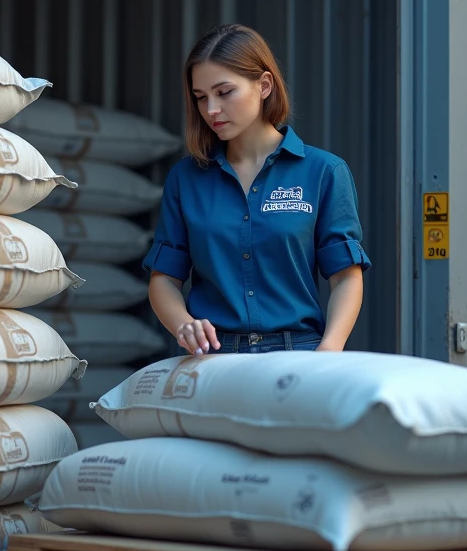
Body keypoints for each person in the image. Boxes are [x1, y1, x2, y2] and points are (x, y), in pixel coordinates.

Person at [143, 23, 370, 357]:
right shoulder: (186, 179)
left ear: (264, 85)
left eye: (224, 92)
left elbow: (346, 277)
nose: (211, 111)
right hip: (212, 358)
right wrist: (183, 325)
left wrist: (329, 351)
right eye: (201, 98)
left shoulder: (324, 172)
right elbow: (164, 279)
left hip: (299, 357)